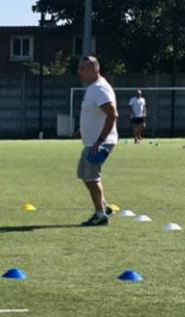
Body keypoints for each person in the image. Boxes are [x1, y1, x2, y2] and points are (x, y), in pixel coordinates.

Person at [75, 56, 118, 227]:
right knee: (83, 174)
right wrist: (82, 129)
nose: (79, 72)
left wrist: (100, 141)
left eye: (83, 68)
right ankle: (104, 207)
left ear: (94, 68)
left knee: (92, 178)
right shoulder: (93, 88)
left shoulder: (100, 88)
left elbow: (112, 114)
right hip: (92, 142)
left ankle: (100, 214)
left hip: (100, 143)